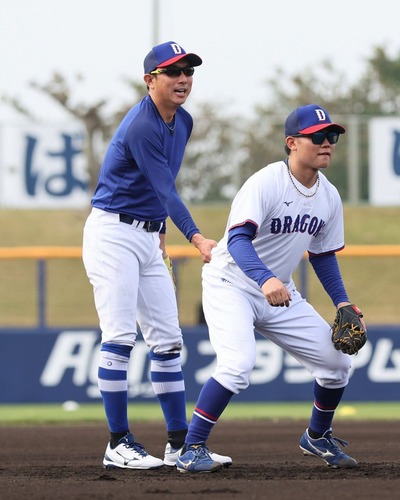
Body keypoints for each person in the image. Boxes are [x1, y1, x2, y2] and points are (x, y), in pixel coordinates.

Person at [176, 104, 367, 473]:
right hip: (231, 282)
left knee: (337, 364)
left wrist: (343, 302)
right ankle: (191, 448)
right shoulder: (266, 182)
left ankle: (317, 436)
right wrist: (265, 279)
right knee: (237, 365)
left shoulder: (329, 196)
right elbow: (238, 240)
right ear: (292, 143)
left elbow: (323, 256)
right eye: (317, 136)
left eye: (332, 136)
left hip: (279, 290)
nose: (327, 143)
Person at [82, 41, 231, 470]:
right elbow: (166, 189)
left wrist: (162, 231)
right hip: (113, 234)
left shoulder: (183, 120)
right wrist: (197, 238)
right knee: (119, 337)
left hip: (148, 236)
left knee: (167, 341)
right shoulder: (142, 125)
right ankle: (118, 442)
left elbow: (160, 185)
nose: (183, 78)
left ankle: (179, 445)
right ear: (150, 80)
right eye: (173, 72)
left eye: (188, 71)